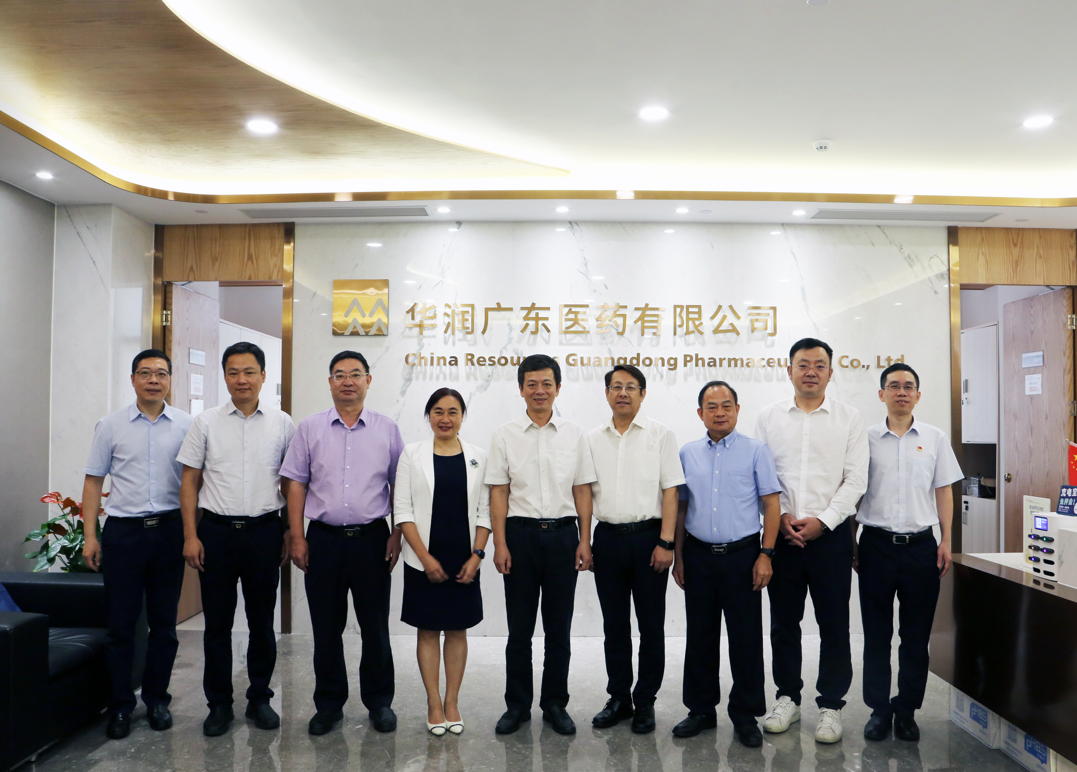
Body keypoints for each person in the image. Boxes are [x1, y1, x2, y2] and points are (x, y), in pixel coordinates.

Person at [281, 350, 404, 735]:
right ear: (330, 382)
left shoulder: (387, 428)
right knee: (325, 627)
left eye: (355, 374)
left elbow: (400, 485)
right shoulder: (310, 428)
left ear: (368, 380)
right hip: (323, 540)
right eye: (339, 374)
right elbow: (295, 483)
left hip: (372, 539)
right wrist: (298, 536)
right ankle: (329, 704)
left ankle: (379, 702)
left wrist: (397, 533)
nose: (347, 381)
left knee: (375, 626)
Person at [178, 341, 295, 737]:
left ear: (263, 376)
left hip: (264, 531)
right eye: (233, 372)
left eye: (249, 372)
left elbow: (292, 483)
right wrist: (190, 535)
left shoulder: (282, 423)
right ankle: (219, 705)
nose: (241, 379)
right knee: (217, 624)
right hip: (216, 533)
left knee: (262, 621)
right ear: (224, 376)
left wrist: (290, 530)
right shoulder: (205, 422)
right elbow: (189, 481)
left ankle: (260, 698)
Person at [755, 337, 868, 744]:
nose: (811, 372)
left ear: (831, 373)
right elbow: (761, 476)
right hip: (782, 538)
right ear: (789, 370)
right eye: (803, 364)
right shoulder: (769, 417)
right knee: (784, 624)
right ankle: (787, 697)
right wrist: (781, 518)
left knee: (834, 624)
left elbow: (855, 479)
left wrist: (824, 521)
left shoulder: (849, 418)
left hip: (830, 539)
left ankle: (831, 705)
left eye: (819, 365)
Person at [81, 349, 193, 739]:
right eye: (145, 373)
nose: (153, 380)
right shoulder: (110, 425)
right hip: (124, 533)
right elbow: (93, 481)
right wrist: (90, 536)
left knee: (164, 625)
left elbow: (195, 482)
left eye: (161, 373)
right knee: (121, 625)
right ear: (133, 380)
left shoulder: (187, 425)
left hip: (168, 532)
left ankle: (158, 700)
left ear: (170, 380)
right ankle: (120, 707)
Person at [486, 354, 597, 736]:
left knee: (558, 629)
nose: (539, 391)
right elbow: (499, 492)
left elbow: (582, 490)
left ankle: (554, 703)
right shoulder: (505, 434)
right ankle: (517, 706)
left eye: (546, 384)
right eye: (531, 384)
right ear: (521, 389)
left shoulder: (574, 434)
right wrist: (500, 544)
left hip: (563, 537)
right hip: (519, 536)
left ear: (558, 388)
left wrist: (585, 540)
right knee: (519, 630)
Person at [855, 364, 962, 742]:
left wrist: (946, 540)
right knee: (876, 635)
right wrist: (852, 540)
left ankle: (906, 711)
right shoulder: (865, 438)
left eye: (908, 386)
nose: (901, 392)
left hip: (921, 549)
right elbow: (854, 491)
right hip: (876, 546)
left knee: (915, 637)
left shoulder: (934, 438)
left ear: (918, 395)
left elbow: (944, 491)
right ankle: (878, 710)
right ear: (881, 393)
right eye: (894, 386)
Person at [671, 381, 781, 747]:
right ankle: (700, 710)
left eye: (727, 405)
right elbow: (681, 507)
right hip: (699, 556)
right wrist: (679, 556)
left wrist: (766, 554)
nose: (720, 412)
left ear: (737, 409)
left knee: (745, 638)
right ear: (700, 413)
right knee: (700, 636)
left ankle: (745, 714)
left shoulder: (756, 451)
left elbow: (771, 505)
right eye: (712, 406)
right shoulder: (687, 453)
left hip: (743, 557)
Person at [586, 365, 684, 734]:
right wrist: (585, 540)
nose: (623, 393)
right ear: (607, 393)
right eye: (616, 387)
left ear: (643, 394)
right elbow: (584, 492)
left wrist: (666, 542)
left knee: (651, 626)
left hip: (649, 540)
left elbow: (671, 491)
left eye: (631, 387)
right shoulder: (592, 438)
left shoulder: (660, 434)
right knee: (614, 626)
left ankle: (645, 701)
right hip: (607, 539)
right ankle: (619, 698)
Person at [395, 388, 492, 736]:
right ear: (428, 416)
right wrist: (425, 558)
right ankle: (433, 703)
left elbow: (485, 511)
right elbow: (402, 510)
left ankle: (452, 702)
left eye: (453, 412)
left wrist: (477, 556)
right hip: (423, 557)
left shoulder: (479, 456)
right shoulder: (412, 454)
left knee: (456, 629)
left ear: (462, 416)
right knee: (427, 629)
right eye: (438, 411)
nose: (445, 418)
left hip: (464, 557)